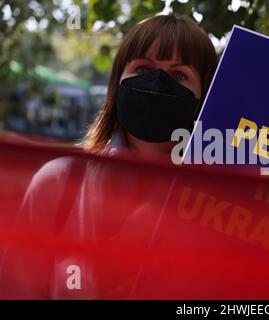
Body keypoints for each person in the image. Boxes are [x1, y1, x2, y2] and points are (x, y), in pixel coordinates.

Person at [0, 14, 218, 299]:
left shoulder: (222, 207)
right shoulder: (58, 183)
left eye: (179, 75)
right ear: (117, 84)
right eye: (143, 69)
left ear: (204, 95)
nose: (157, 83)